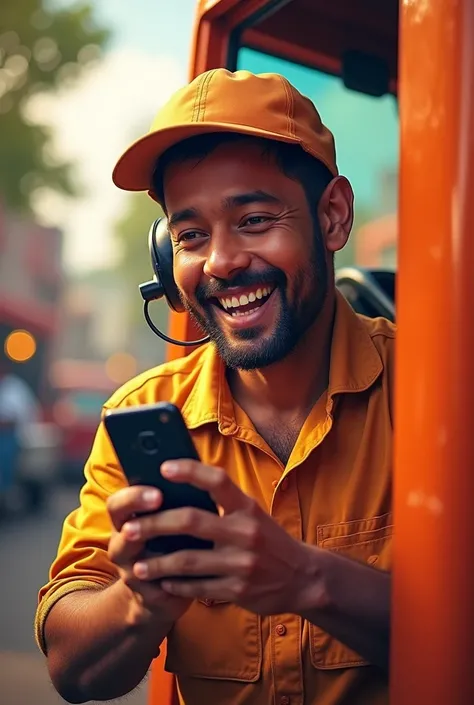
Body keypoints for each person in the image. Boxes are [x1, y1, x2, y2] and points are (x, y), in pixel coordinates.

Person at [35, 69, 394, 705]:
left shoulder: (439, 394)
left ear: (333, 217)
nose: (221, 262)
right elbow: (72, 670)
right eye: (191, 235)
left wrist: (307, 579)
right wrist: (143, 597)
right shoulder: (143, 412)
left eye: (254, 219)